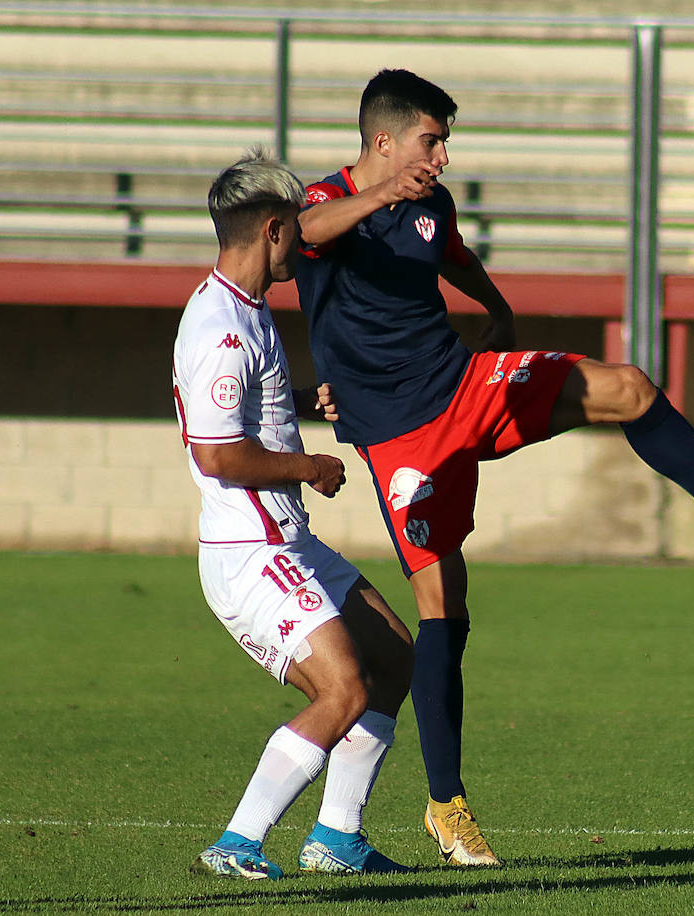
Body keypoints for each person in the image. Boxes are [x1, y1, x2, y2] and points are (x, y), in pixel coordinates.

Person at [294, 69, 694, 868]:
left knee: (627, 387)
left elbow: (445, 248)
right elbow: (308, 235)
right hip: (400, 438)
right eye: (431, 138)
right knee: (443, 606)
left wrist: (494, 305)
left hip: (464, 385)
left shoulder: (430, 203)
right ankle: (445, 807)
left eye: (445, 139)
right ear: (383, 141)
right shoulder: (328, 202)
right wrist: (381, 197)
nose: (443, 154)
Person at [172, 148, 416, 879]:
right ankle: (238, 843)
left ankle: (337, 838)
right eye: (298, 229)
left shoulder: (244, 307)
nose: (306, 242)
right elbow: (218, 455)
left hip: (287, 538)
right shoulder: (220, 326)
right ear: (273, 229)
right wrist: (307, 464)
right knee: (343, 688)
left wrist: (299, 410)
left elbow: (248, 420)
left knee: (395, 658)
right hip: (249, 552)